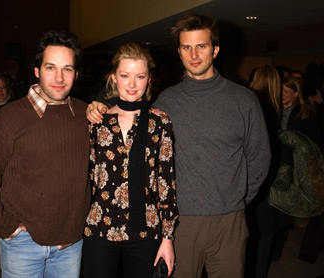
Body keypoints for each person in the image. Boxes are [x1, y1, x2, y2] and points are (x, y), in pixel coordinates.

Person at [87, 13, 271, 277]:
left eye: (202, 46)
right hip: (181, 221)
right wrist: (95, 106)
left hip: (229, 219)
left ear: (215, 50)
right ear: (179, 52)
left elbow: (259, 160)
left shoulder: (244, 101)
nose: (194, 54)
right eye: (187, 47)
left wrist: (235, 198)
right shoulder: (166, 102)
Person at [0, 30, 90, 278]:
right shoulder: (10, 117)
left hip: (70, 244)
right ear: (36, 71)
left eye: (67, 69)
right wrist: (1, 225)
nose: (59, 77)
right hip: (22, 244)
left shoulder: (86, 114)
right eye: (51, 67)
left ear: (76, 74)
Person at [83, 42, 178, 278]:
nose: (132, 84)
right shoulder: (97, 120)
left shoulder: (160, 122)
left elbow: (166, 182)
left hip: (145, 231)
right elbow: (84, 175)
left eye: (140, 76)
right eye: (125, 75)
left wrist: (167, 238)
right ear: (113, 77)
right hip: (100, 227)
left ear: (149, 79)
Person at [246, 65, 288, 278]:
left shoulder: (256, 106)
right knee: (264, 234)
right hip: (266, 178)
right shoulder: (270, 108)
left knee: (258, 234)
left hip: (257, 179)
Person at [281, 75, 320, 144]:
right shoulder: (275, 111)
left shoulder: (306, 113)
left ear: (296, 93)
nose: (282, 94)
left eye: (286, 91)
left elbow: (312, 141)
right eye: (280, 90)